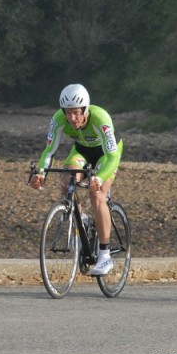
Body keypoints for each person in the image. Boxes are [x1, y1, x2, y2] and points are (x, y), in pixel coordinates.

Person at [29, 84, 124, 276]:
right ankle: (83, 219)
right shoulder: (57, 119)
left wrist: (99, 176)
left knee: (97, 194)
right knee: (66, 181)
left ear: (85, 110)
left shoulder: (100, 118)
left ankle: (105, 256)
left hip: (106, 154)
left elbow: (112, 157)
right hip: (81, 150)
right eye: (68, 113)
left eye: (76, 113)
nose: (71, 119)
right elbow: (49, 150)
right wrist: (41, 174)